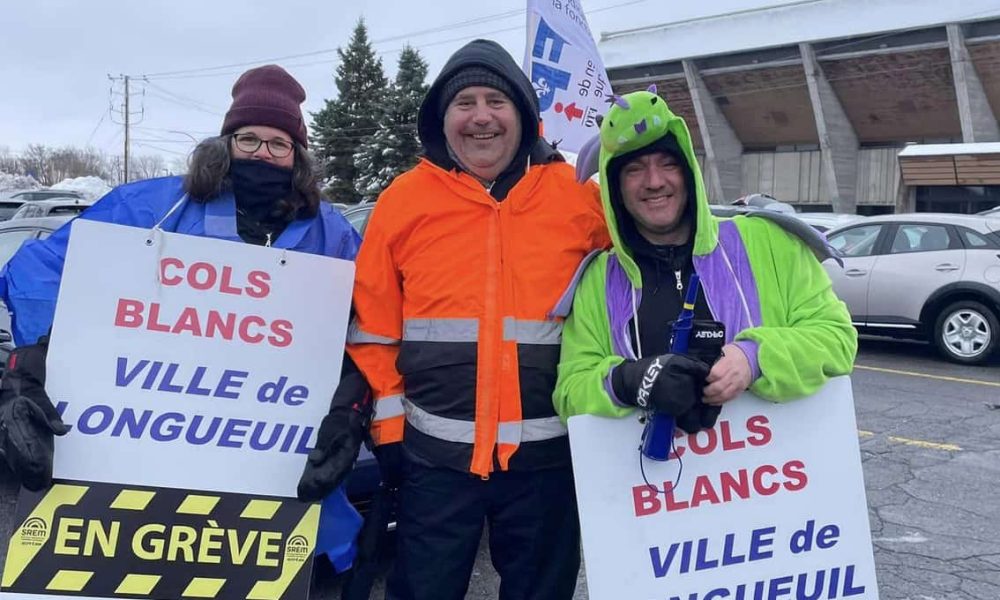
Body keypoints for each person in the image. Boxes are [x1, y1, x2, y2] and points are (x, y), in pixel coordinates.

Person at [0, 64, 363, 568]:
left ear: (297, 156)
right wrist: (32, 365)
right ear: (224, 143)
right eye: (248, 138)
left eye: (278, 144)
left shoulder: (333, 234)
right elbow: (42, 272)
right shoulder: (151, 206)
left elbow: (365, 324)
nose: (262, 153)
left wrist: (350, 407)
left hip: (263, 475)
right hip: (133, 469)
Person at [330, 38, 609, 600]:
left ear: (525, 116)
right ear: (442, 117)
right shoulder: (402, 202)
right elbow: (374, 330)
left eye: (496, 101)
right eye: (465, 103)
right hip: (434, 463)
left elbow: (622, 306)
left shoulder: (579, 198)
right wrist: (387, 433)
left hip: (549, 464)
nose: (481, 116)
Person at [554, 86, 857, 428]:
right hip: (650, 479)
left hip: (765, 475)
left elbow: (836, 339)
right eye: (634, 169)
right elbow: (570, 392)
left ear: (688, 172)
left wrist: (754, 358)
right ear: (614, 188)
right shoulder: (599, 278)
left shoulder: (771, 243)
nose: (654, 181)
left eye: (668, 164)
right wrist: (630, 381)